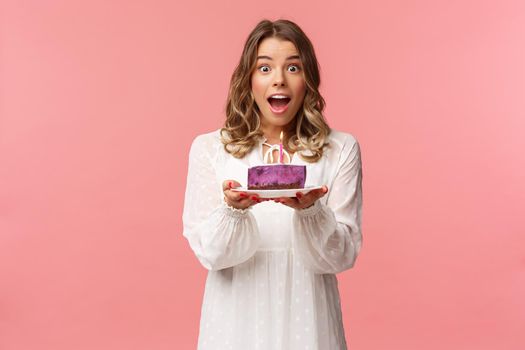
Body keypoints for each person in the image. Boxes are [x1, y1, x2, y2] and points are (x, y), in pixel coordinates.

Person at [182, 18, 363, 350]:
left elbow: (342, 256)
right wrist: (232, 212)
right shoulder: (210, 149)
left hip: (308, 320)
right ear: (248, 79)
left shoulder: (339, 149)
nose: (279, 79)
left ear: (308, 78)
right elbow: (210, 254)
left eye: (293, 68)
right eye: (264, 69)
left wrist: (312, 211)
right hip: (234, 321)